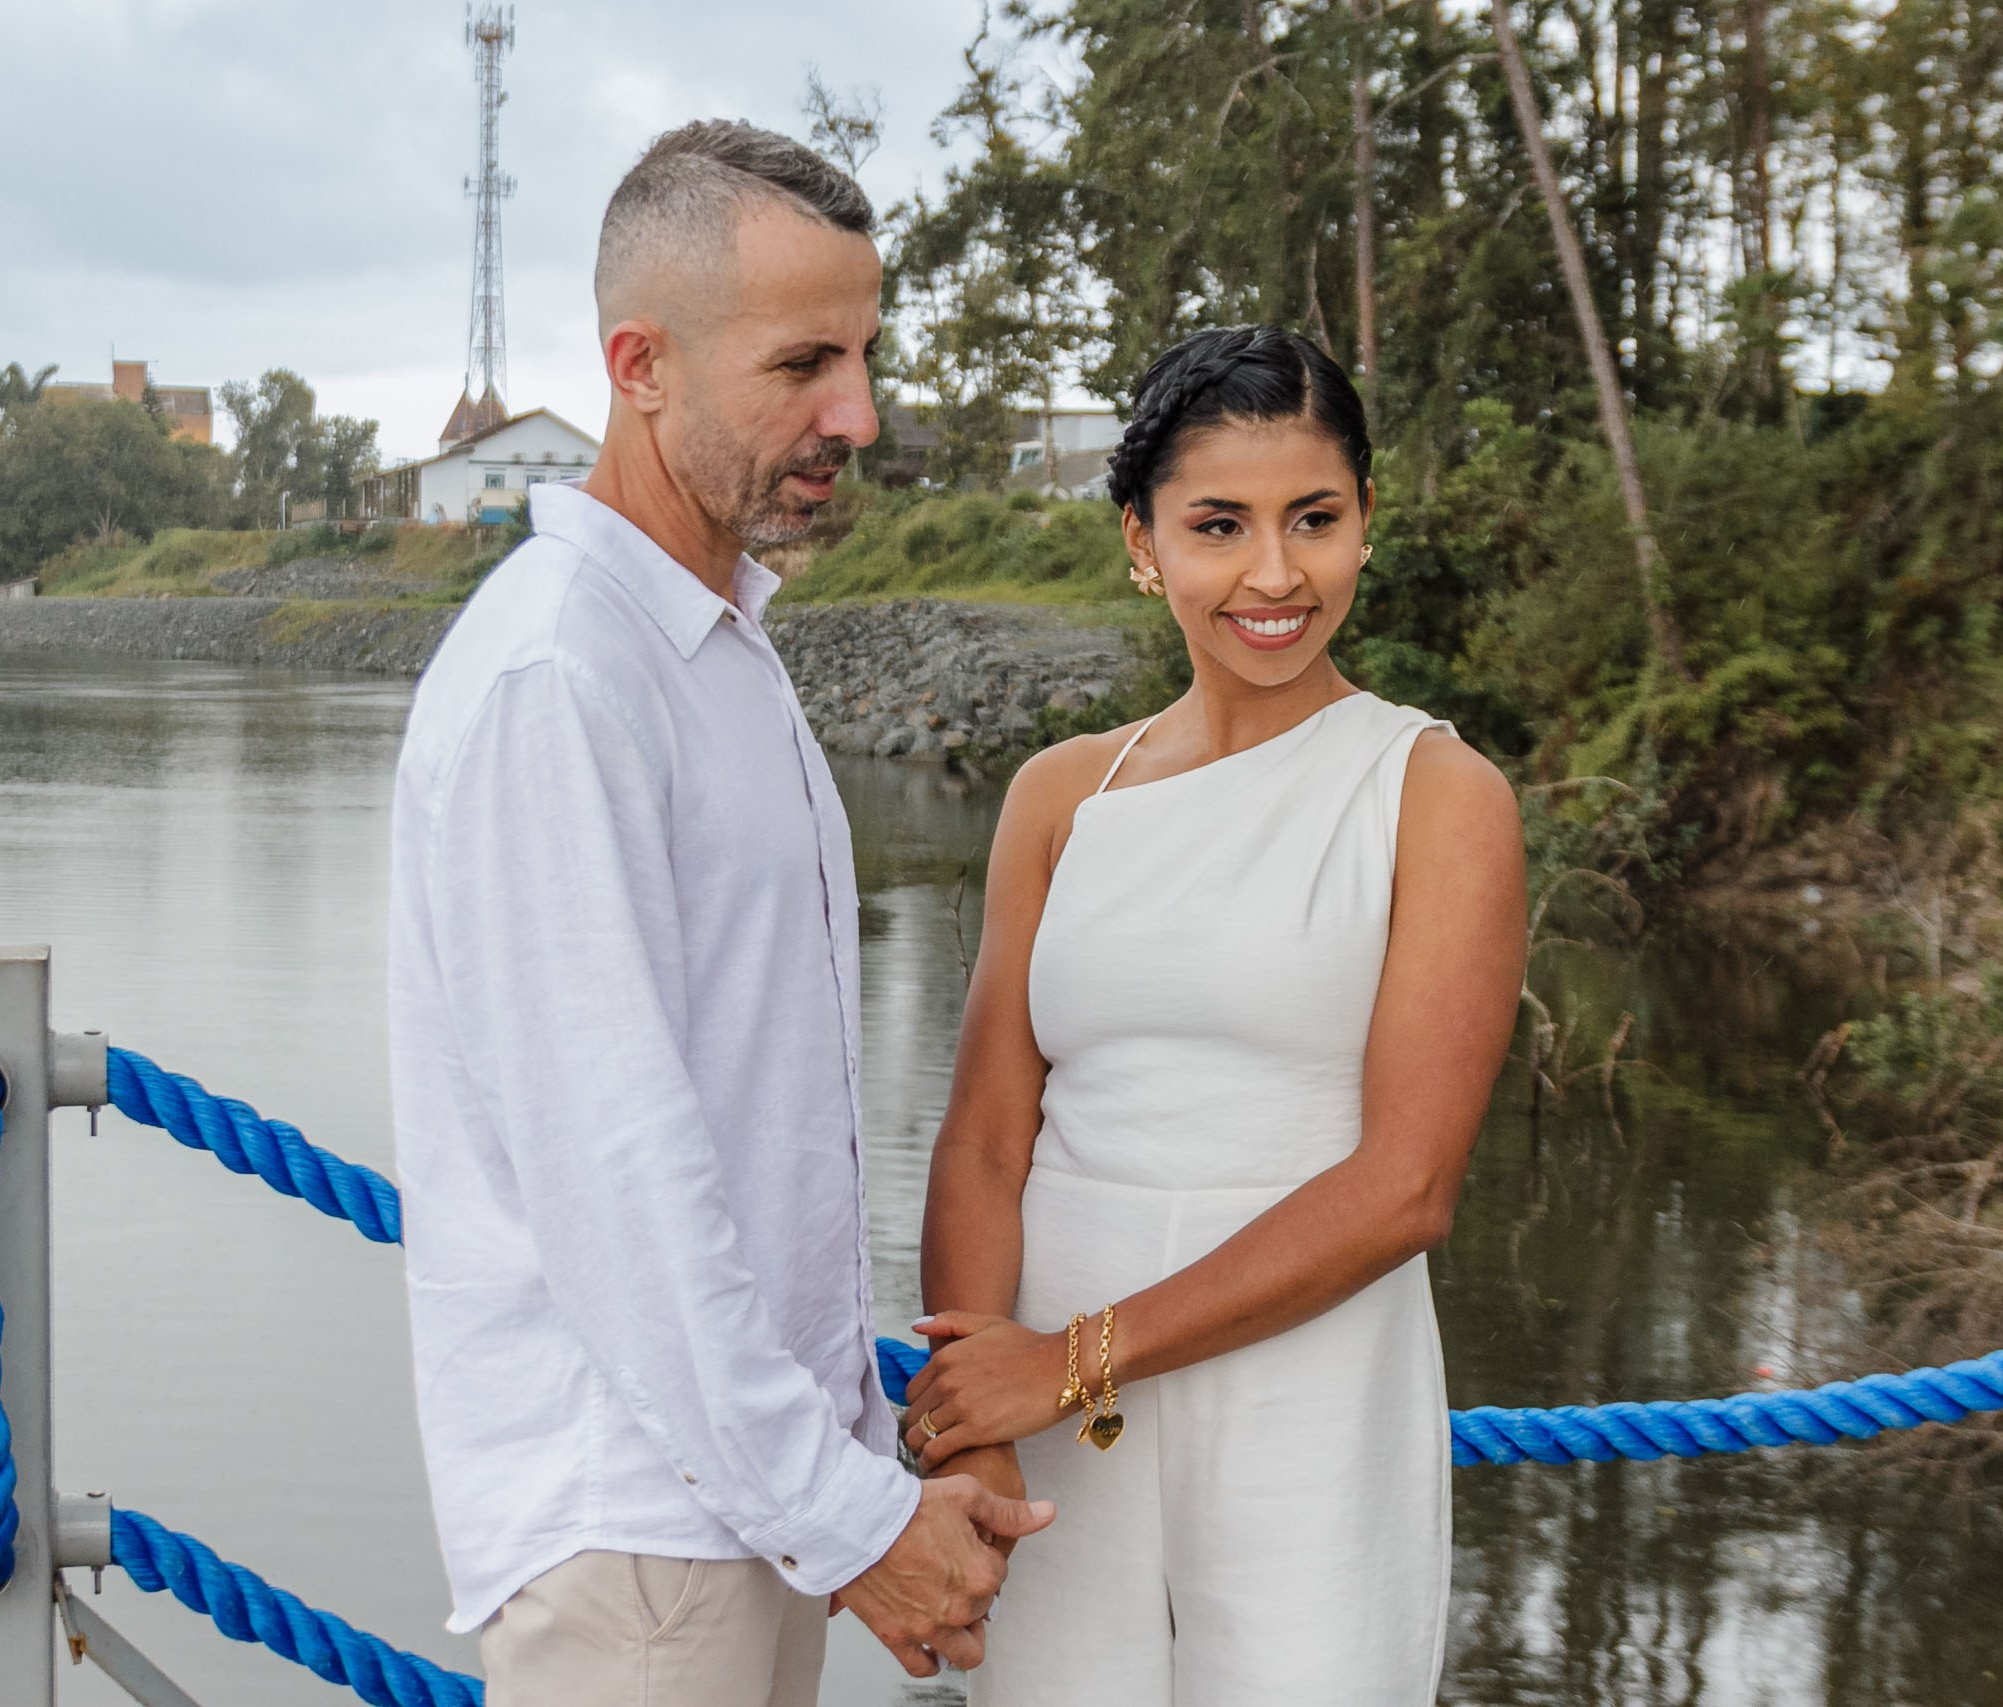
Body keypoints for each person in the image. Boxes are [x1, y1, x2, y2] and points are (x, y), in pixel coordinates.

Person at [387, 120, 1050, 1707]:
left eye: (866, 356)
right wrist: (853, 1522)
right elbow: (618, 1176)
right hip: (637, 1545)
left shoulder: (707, 648)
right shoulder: (564, 676)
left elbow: (744, 1121)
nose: (859, 416)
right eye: (804, 364)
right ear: (642, 366)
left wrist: (842, 1482)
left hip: (730, 1512)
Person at [904, 323, 1528, 1702]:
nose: (1272, 574)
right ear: (1143, 539)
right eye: (1218, 524)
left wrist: (1073, 1365)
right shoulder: (1059, 798)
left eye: (1315, 519)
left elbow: (1407, 1186)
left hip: (1306, 1394)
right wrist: (978, 1431)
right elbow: (987, 1143)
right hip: (1047, 1426)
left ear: (1367, 525)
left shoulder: (1434, 794)